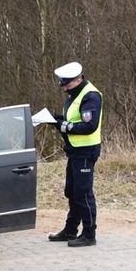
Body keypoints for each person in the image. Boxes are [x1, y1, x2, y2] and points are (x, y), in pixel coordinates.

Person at [46, 60, 103, 247]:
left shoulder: (90, 96)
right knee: (72, 192)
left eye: (67, 84)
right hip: (74, 151)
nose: (64, 88)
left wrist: (63, 125)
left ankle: (89, 234)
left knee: (83, 194)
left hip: (85, 151)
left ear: (77, 80)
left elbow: (89, 126)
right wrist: (53, 119)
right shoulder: (74, 94)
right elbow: (72, 120)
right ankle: (70, 230)